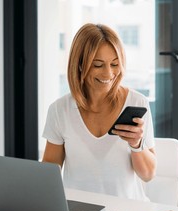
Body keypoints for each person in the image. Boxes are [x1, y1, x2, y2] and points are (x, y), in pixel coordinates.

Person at [42, 23, 156, 201]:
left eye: (115, 64)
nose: (108, 73)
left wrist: (136, 144)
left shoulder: (136, 103)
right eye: (98, 65)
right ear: (79, 65)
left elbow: (148, 175)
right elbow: (49, 176)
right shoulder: (59, 110)